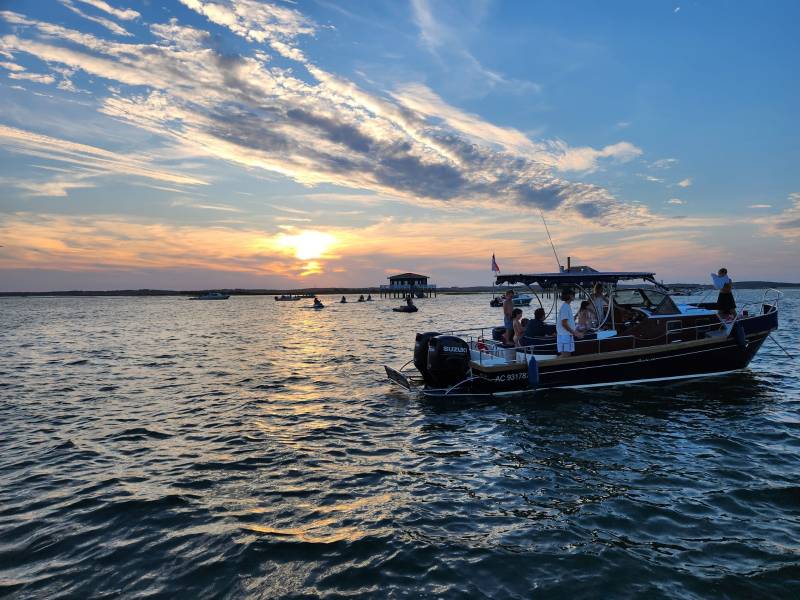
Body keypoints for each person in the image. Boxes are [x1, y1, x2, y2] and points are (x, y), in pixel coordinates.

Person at [556, 288, 583, 357]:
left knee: (567, 355)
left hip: (566, 335)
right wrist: (575, 333)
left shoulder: (566, 306)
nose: (574, 296)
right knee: (565, 355)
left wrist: (577, 315)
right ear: (570, 296)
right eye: (573, 294)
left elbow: (567, 321)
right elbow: (564, 323)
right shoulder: (565, 307)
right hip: (565, 336)